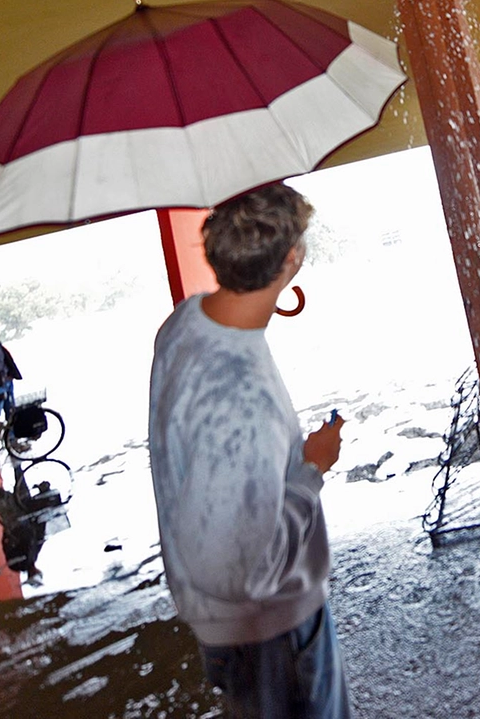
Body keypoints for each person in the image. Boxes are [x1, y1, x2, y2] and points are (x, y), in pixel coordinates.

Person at [148, 182, 350, 719]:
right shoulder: (243, 397)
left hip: (221, 625)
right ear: (290, 259)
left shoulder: (184, 324)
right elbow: (243, 572)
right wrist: (311, 468)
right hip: (268, 629)